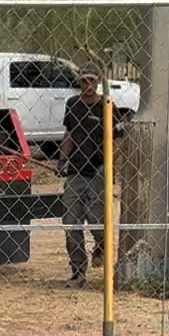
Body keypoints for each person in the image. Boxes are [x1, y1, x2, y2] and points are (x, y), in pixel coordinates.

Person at [58, 71, 116, 284]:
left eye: (92, 80)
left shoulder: (107, 105)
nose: (88, 85)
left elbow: (117, 139)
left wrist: (109, 167)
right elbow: (69, 134)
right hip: (76, 171)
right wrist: (62, 160)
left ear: (98, 82)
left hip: (99, 171)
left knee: (97, 220)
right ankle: (78, 271)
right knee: (71, 223)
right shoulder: (73, 104)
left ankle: (100, 247)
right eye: (84, 81)